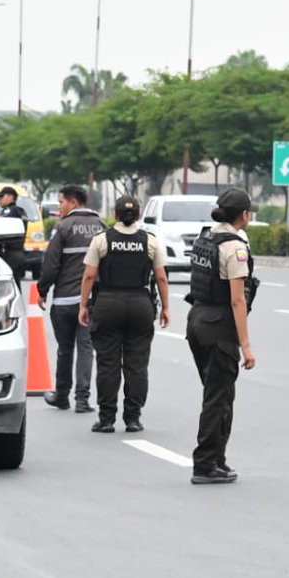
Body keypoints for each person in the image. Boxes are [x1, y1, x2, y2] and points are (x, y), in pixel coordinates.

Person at [184, 188, 260, 485]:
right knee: (218, 396)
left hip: (197, 319)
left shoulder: (206, 237)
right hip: (219, 327)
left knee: (219, 393)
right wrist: (246, 346)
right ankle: (204, 463)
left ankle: (218, 458)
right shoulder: (234, 247)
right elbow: (237, 300)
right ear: (243, 214)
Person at [79, 195, 170, 434]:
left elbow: (89, 275)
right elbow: (161, 277)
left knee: (108, 363)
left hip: (108, 304)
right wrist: (166, 308)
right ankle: (133, 418)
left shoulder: (101, 240)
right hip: (140, 304)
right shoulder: (149, 241)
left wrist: (82, 305)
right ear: (139, 215)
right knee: (137, 364)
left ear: (116, 215)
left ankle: (106, 419)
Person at [36, 184, 106, 413]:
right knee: (86, 348)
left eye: (61, 202)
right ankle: (83, 399)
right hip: (91, 302)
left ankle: (62, 396)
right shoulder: (101, 227)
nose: (60, 207)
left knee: (65, 349)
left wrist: (43, 289)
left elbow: (51, 264)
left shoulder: (63, 227)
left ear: (73, 202)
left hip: (64, 302)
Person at [0, 186, 28, 287]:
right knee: (15, 283)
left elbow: (0, 227)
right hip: (18, 252)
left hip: (11, 253)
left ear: (10, 197)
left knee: (9, 285)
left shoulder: (10, 211)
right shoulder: (19, 211)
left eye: (1, 196)